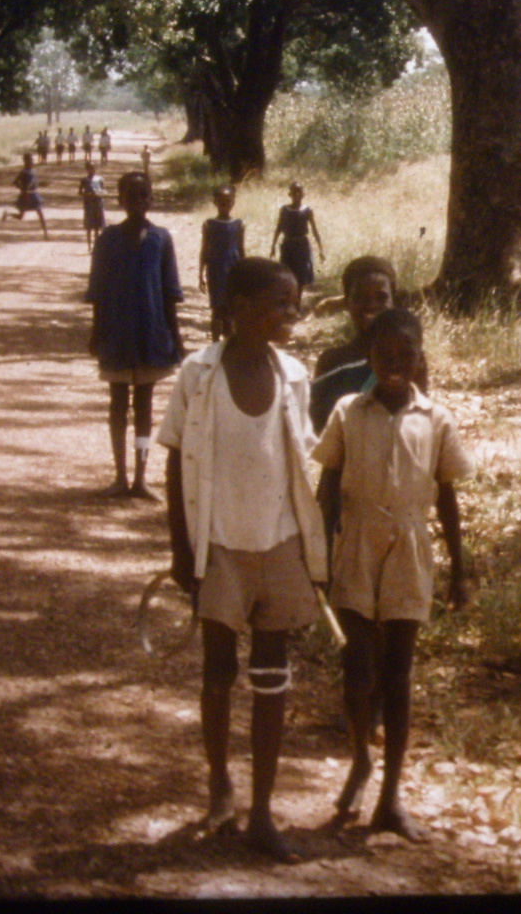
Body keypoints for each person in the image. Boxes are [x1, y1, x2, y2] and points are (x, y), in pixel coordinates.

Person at [158, 258, 326, 863]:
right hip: (219, 546)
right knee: (218, 670)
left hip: (279, 544)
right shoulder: (198, 375)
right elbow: (177, 462)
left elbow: (301, 463)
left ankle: (261, 809)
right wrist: (183, 550)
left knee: (273, 673)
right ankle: (220, 785)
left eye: (293, 303)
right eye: (280, 303)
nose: (291, 314)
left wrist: (313, 547)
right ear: (239, 309)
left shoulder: (294, 375)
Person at [314, 308, 470, 842]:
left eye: (406, 356)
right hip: (355, 542)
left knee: (398, 673)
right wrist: (317, 549)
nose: (395, 366)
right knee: (356, 666)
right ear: (369, 358)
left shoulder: (437, 420)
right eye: (384, 357)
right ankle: (361, 757)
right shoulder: (347, 412)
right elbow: (329, 484)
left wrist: (460, 571)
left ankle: (391, 797)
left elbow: (447, 496)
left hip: (409, 545)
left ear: (421, 358)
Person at [86, 171, 185, 498]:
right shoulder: (107, 238)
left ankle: (141, 477)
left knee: (144, 406)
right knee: (117, 404)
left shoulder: (161, 238)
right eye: (131, 196)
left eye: (144, 195)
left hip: (150, 332)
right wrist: (96, 330)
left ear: (151, 199)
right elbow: (97, 289)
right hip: (116, 332)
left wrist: (176, 336)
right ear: (121, 200)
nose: (139, 202)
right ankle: (119, 475)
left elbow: (170, 292)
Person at [310, 256, 402, 435]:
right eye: (360, 297)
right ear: (346, 303)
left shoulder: (406, 360)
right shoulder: (332, 361)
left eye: (381, 297)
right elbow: (318, 427)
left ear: (394, 301)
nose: (371, 305)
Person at [200, 185, 246, 342]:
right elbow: (204, 249)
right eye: (221, 202)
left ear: (233, 202)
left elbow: (241, 249)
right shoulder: (209, 224)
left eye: (228, 201)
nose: (225, 205)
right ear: (215, 202)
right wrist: (200, 274)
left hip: (233, 269)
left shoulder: (239, 224)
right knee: (216, 308)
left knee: (231, 308)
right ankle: (215, 343)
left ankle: (229, 343)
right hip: (215, 270)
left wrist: (245, 271)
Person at [271, 182, 323, 290]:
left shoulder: (307, 210)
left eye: (299, 192)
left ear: (303, 194)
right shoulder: (284, 210)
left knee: (301, 275)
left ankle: (298, 301)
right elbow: (279, 228)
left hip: (302, 245)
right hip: (288, 245)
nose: (297, 195)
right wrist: (273, 246)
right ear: (289, 194)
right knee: (287, 274)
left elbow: (314, 230)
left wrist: (320, 249)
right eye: (294, 193)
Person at [1, 153, 49, 239]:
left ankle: (45, 234)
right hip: (26, 195)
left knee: (40, 214)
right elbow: (15, 182)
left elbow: (35, 183)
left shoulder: (33, 171)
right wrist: (23, 189)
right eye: (29, 160)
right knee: (21, 216)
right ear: (25, 161)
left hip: (34, 194)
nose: (31, 162)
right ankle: (8, 214)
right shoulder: (23, 172)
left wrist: (42, 184)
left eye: (32, 160)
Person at [78, 162, 106, 250]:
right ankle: (89, 246)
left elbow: (103, 190)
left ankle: (96, 246)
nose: (91, 170)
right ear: (87, 170)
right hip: (89, 204)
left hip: (98, 203)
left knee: (97, 226)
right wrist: (87, 194)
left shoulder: (100, 179)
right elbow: (80, 192)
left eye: (93, 168)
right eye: (89, 169)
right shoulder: (84, 180)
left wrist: (100, 193)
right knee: (89, 226)